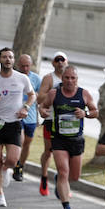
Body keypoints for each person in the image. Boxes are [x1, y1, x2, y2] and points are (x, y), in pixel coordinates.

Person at [0, 48, 35, 207]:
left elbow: (32, 95)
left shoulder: (22, 78)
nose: (7, 59)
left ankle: (6, 169)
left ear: (13, 60)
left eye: (10, 57)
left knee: (12, 160)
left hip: (14, 123)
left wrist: (26, 107)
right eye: (4, 57)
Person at [40, 65, 98, 209]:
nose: (70, 81)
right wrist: (43, 112)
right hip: (59, 138)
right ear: (62, 78)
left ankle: (59, 179)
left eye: (73, 78)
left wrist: (85, 113)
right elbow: (43, 107)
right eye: (67, 77)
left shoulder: (83, 94)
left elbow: (95, 112)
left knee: (74, 176)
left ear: (77, 79)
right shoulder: (54, 93)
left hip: (76, 140)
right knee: (64, 171)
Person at [36, 51, 67, 196]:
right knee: (49, 151)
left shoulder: (70, 77)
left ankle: (62, 179)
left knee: (64, 152)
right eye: (57, 60)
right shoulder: (49, 78)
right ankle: (44, 177)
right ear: (53, 63)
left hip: (66, 121)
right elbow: (39, 98)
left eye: (62, 60)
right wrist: (55, 92)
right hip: (51, 120)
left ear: (66, 62)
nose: (60, 62)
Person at [13, 54, 41, 182]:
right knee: (21, 140)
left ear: (31, 65)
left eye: (27, 66)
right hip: (17, 115)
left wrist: (37, 96)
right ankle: (15, 162)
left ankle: (20, 166)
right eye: (23, 66)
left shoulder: (36, 79)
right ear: (18, 65)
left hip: (31, 116)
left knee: (27, 144)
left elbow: (41, 97)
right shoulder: (14, 77)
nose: (25, 68)